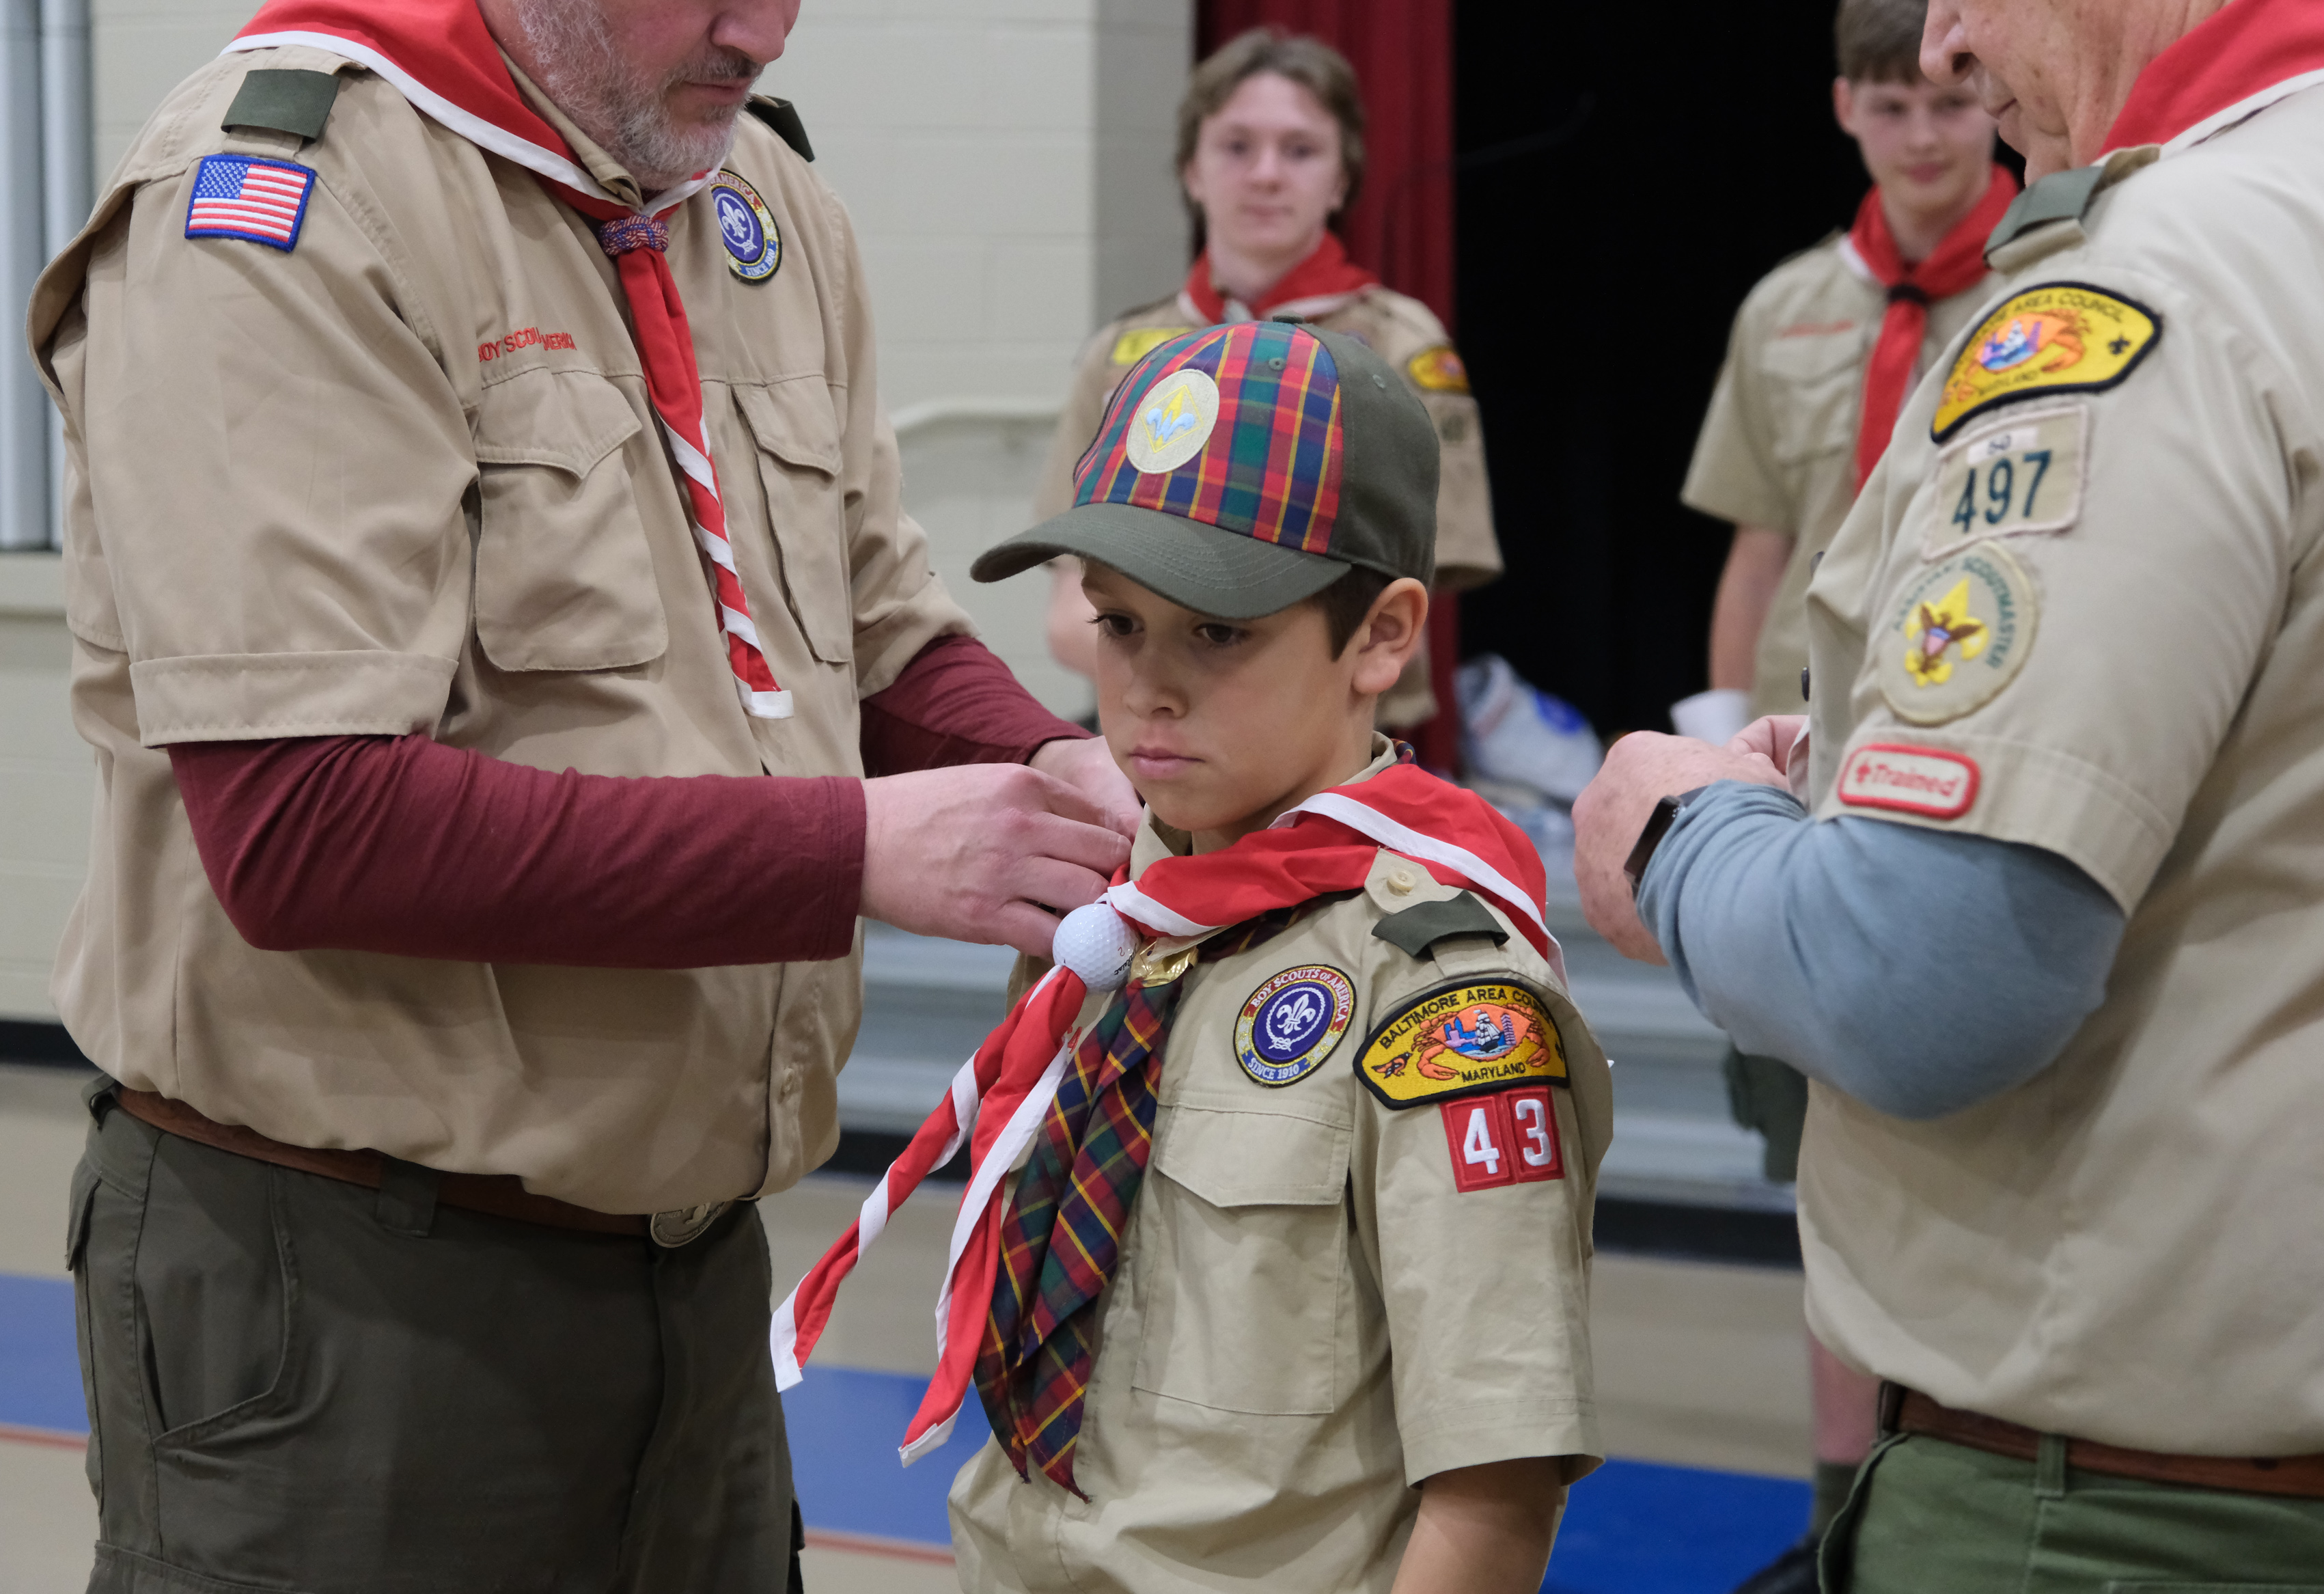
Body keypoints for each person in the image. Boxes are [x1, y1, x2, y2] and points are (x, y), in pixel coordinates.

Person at [23, 0, 1140, 1587]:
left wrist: (1043, 761)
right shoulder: (286, 206)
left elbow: (873, 621)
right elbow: (302, 826)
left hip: (694, 1269)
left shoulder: (749, 195)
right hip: (352, 1287)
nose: (766, 28)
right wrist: (850, 849)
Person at [1574, 0, 2324, 1586]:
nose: (1943, 42)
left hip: (2147, 1516)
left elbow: (1924, 972)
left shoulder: (2172, 277)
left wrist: (1673, 827)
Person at [779, 320, 1611, 1593]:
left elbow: (1493, 1494)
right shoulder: (1119, 921)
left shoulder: (1442, 993)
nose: (1148, 688)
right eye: (1120, 623)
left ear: (1382, 636)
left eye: (1219, 633)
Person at [1674, 2, 2010, 1584]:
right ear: (1842, 113)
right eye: (1889, 106)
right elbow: (1758, 545)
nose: (1923, 134)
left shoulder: (2069, 287)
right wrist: (1711, 733)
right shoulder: (1790, 309)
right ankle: (1833, 1514)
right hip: (1803, 766)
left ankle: (1960, 1482)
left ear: (1989, 94)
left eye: (1947, 100)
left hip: (1969, 752)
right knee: (1817, 1156)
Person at [1036, 27, 1501, 739]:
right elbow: (1071, 606)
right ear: (1191, 170)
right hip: (1160, 736)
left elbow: (1405, 608)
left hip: (1344, 749)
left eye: (1300, 150)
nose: (1265, 175)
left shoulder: (1401, 350)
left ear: (1341, 178)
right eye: (1235, 146)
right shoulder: (1121, 357)